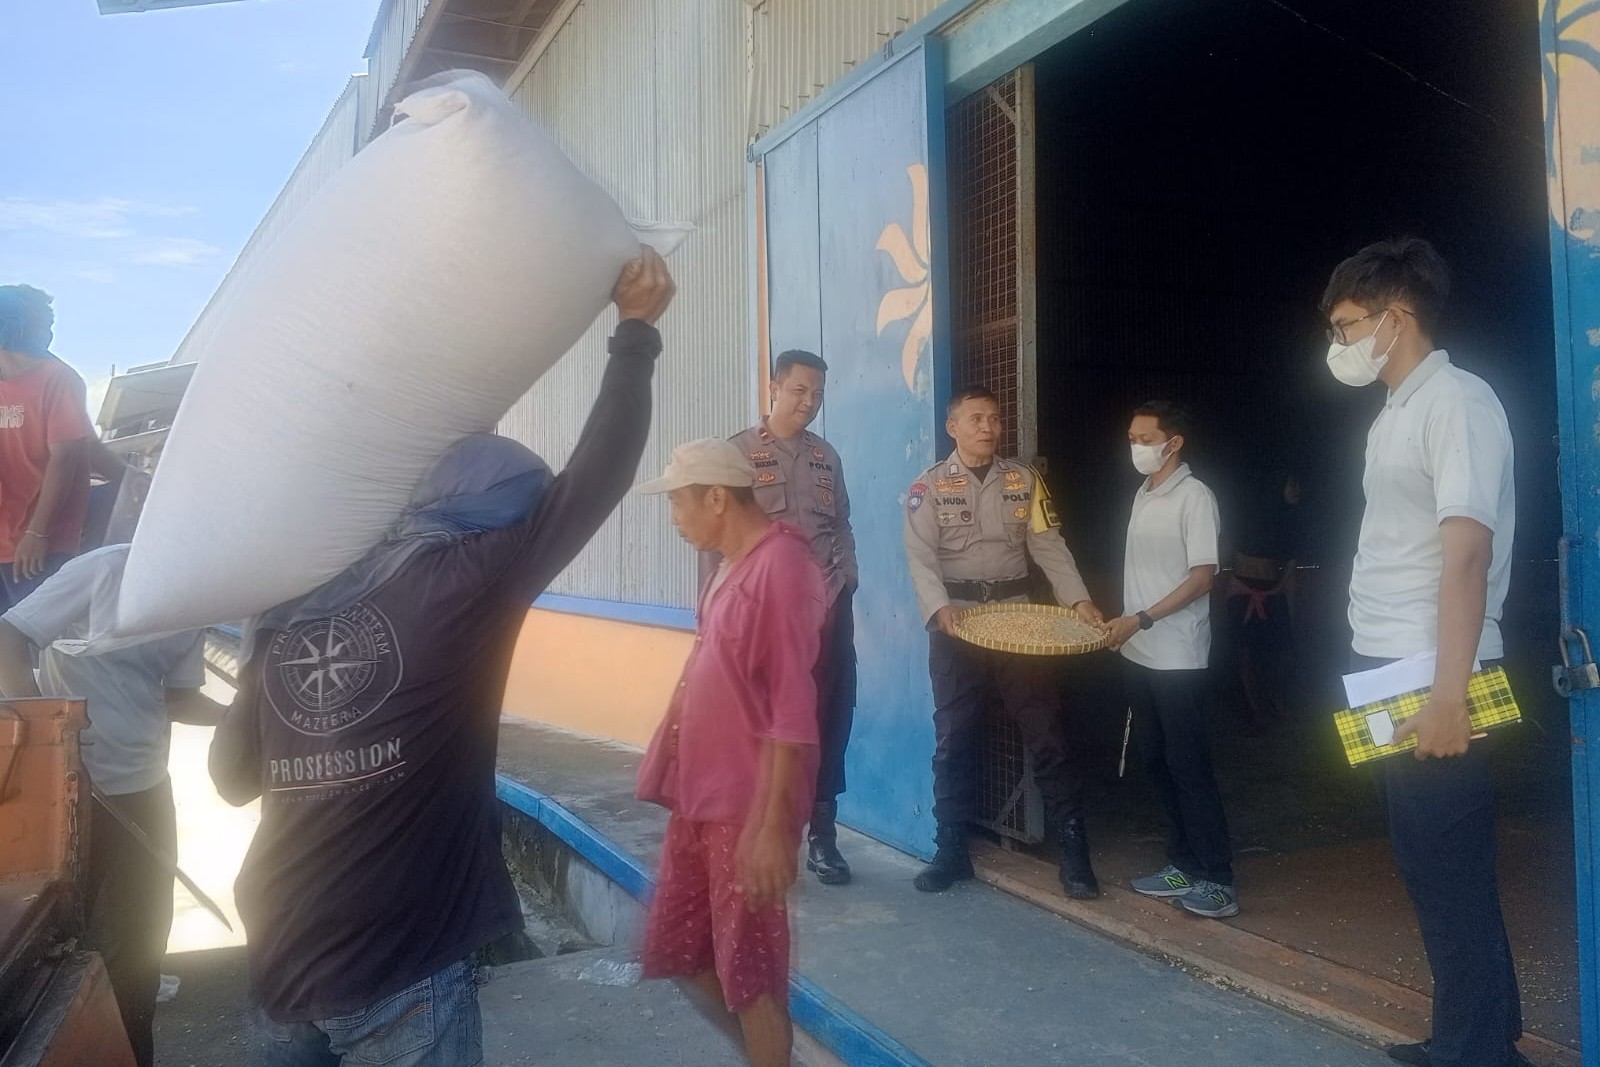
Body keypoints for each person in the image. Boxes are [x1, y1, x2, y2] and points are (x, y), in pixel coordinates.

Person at [208, 250, 675, 1066]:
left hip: (278, 961)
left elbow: (231, 778)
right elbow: (594, 480)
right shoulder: (469, 581)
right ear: (499, 523)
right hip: (403, 965)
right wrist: (635, 332)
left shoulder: (289, 608)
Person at [1321, 237, 1526, 1067]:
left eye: (1346, 326)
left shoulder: (1458, 402)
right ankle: (1474, 1036)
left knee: (1450, 865)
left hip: (1436, 671)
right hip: (1387, 665)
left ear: (1396, 317)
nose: (1337, 344)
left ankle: (1476, 1052)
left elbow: (1467, 554)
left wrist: (1449, 696)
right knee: (1428, 864)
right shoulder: (1394, 412)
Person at [634, 438, 826, 1067]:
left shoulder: (782, 566)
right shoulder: (725, 566)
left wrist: (771, 829)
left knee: (752, 977)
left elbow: (790, 709)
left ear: (717, 498)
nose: (674, 518)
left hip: (746, 806)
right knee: (685, 953)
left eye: (678, 502)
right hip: (701, 795)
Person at [0, 544, 224, 1067]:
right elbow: (9, 636)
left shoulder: (203, 594)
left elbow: (180, 697)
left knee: (140, 949)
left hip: (147, 790)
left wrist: (244, 717)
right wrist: (52, 737)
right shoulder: (103, 570)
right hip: (71, 793)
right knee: (61, 948)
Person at [902, 384, 1107, 899]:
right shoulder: (929, 486)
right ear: (952, 427)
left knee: (1046, 732)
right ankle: (951, 850)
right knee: (954, 736)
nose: (988, 428)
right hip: (958, 624)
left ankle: (1074, 850)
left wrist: (1079, 601)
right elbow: (920, 556)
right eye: (976, 419)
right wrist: (939, 609)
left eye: (993, 419)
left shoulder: (1024, 481)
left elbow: (1049, 545)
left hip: (1019, 622)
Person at [720, 348, 857, 886]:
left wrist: (847, 578)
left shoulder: (827, 457)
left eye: (817, 394)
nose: (808, 402)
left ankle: (822, 836)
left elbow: (841, 524)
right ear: (774, 387)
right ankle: (757, 831)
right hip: (764, 615)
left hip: (827, 612)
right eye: (799, 390)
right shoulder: (736, 454)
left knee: (828, 719)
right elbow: (720, 536)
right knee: (758, 719)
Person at [1102, 401, 1235, 919]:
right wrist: (1129, 625)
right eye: (1131, 438)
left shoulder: (1195, 496)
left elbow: (1203, 578)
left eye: (1145, 438)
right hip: (1139, 651)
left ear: (1173, 442)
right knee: (1155, 759)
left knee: (1189, 764)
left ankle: (1218, 878)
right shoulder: (1144, 493)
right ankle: (1182, 861)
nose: (1136, 447)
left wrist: (1142, 618)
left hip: (1178, 654)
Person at [0, 284, 94, 608]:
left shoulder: (59, 378)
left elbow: (66, 456)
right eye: (45, 324)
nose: (48, 333)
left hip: (38, 544)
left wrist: (37, 533)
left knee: (30, 634)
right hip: (4, 535)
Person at [1224, 469, 1302, 733]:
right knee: (1245, 654)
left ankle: (1274, 703)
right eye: (1291, 484)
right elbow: (1227, 552)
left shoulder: (1289, 520)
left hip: (1272, 593)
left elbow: (1291, 565)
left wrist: (1281, 592)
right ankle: (1255, 710)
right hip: (1243, 591)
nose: (1296, 490)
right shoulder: (1246, 517)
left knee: (1279, 654)